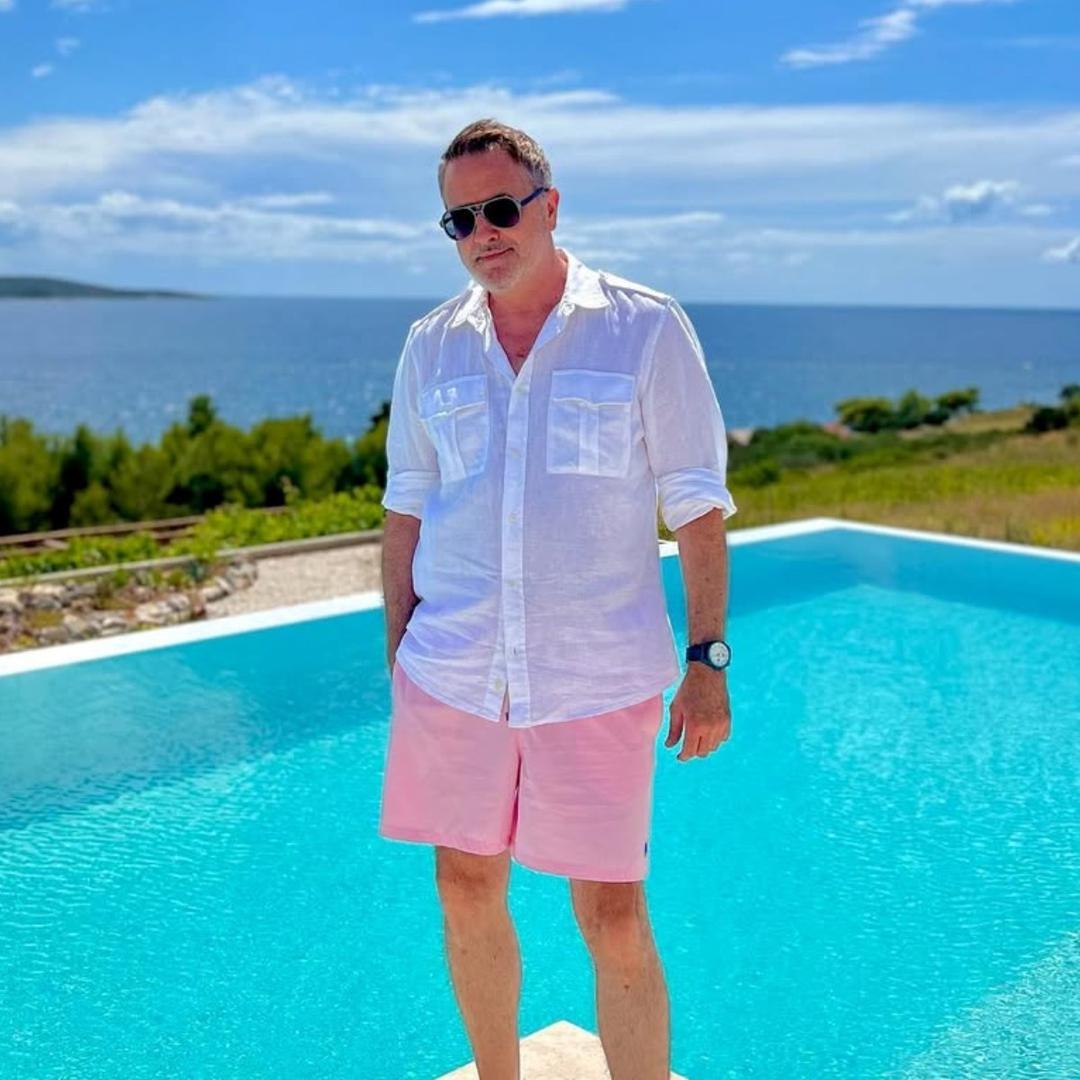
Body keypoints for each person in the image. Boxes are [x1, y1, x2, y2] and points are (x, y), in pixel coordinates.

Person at [378, 118, 736, 1080]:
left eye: (499, 208)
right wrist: (399, 652)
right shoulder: (430, 346)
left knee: (612, 915)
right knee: (463, 889)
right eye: (459, 219)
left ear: (550, 205)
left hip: (595, 679)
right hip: (453, 675)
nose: (482, 234)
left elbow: (697, 504)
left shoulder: (644, 326)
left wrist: (706, 661)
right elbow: (406, 506)